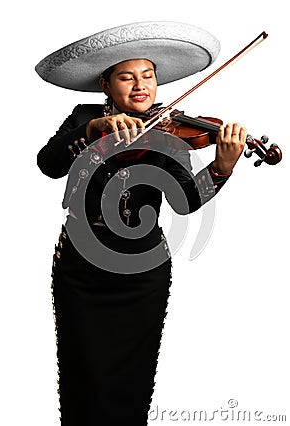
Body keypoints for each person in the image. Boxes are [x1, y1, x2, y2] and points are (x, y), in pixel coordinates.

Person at [36, 21, 246, 426]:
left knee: (133, 379)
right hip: (81, 268)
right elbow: (49, 164)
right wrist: (93, 130)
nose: (141, 86)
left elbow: (185, 201)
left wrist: (221, 168)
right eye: (127, 77)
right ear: (106, 84)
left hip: (141, 272)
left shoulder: (170, 130)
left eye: (148, 76)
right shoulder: (84, 118)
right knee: (82, 372)